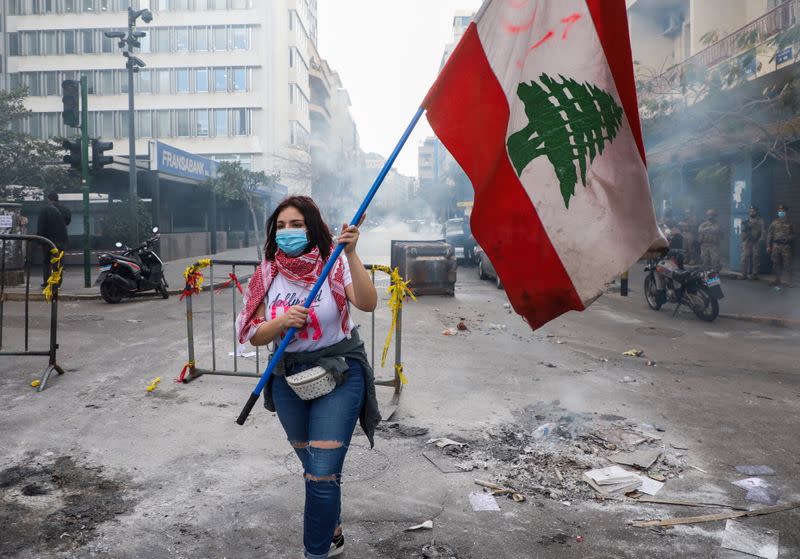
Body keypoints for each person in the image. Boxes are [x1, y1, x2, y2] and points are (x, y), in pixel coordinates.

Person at [235, 195, 379, 559]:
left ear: (312, 227)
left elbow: (368, 302)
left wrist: (351, 254)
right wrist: (280, 323)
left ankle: (316, 552)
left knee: (321, 471)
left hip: (339, 371)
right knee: (316, 468)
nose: (288, 232)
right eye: (281, 226)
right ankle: (332, 525)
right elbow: (251, 332)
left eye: (296, 224)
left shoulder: (335, 264)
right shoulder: (267, 272)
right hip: (288, 379)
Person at [36, 192, 70, 286]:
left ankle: (47, 282)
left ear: (49, 199)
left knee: (46, 261)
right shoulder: (65, 209)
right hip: (61, 240)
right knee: (58, 262)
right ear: (57, 198)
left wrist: (39, 241)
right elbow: (67, 222)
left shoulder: (45, 210)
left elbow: (41, 226)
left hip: (47, 241)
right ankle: (57, 283)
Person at [767, 204, 795, 287]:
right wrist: (768, 246)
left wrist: (788, 238)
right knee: (776, 263)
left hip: (786, 246)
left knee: (787, 264)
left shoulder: (790, 223)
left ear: (786, 212)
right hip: (776, 246)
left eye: (782, 210)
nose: (780, 212)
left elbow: (794, 235)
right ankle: (777, 280)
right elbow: (769, 234)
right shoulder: (774, 223)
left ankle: (789, 282)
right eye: (779, 210)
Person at [740, 205, 765, 280]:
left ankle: (754, 274)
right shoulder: (746, 221)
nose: (751, 212)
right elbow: (743, 233)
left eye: (753, 211)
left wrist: (760, 240)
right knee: (744, 258)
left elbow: (763, 231)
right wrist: (742, 242)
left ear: (756, 212)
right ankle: (744, 275)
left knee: (755, 258)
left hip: (756, 242)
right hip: (747, 242)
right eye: (750, 211)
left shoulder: (760, 221)